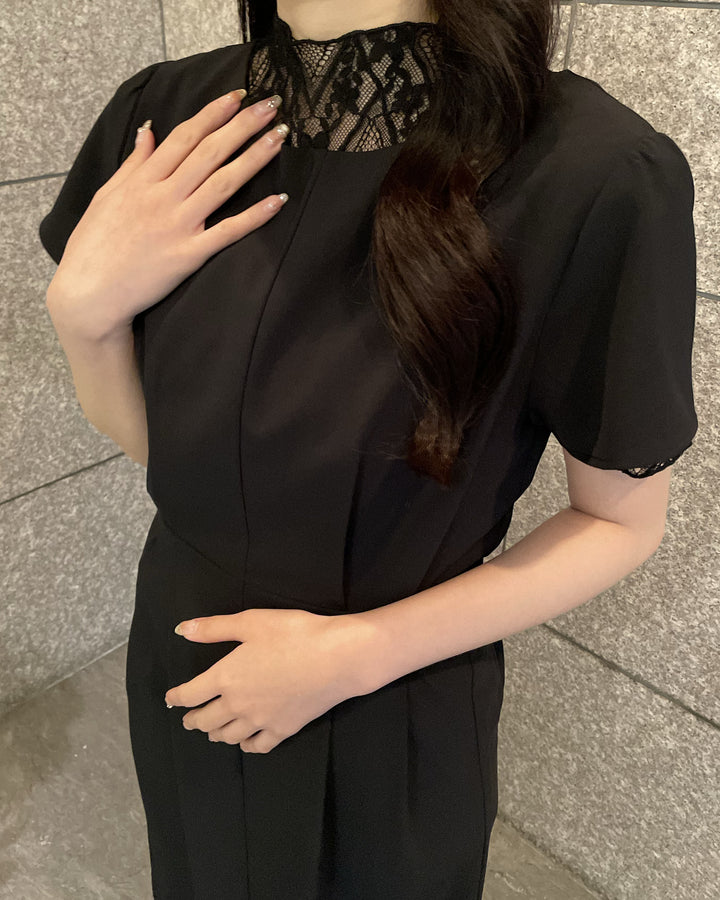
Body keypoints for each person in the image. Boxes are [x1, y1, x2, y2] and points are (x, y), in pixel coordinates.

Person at [37, 0, 698, 897]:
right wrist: (83, 320)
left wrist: (359, 654)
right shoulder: (164, 116)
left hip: (388, 701)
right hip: (186, 660)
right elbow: (172, 458)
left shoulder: (588, 166)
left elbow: (621, 522)